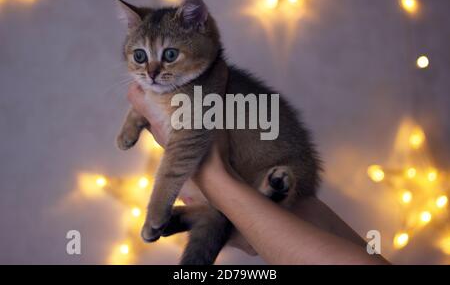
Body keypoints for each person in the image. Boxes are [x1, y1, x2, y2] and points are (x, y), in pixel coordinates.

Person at [126, 83, 390, 265]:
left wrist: (214, 178)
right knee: (276, 210)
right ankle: (235, 213)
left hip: (247, 178)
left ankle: (230, 213)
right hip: (272, 193)